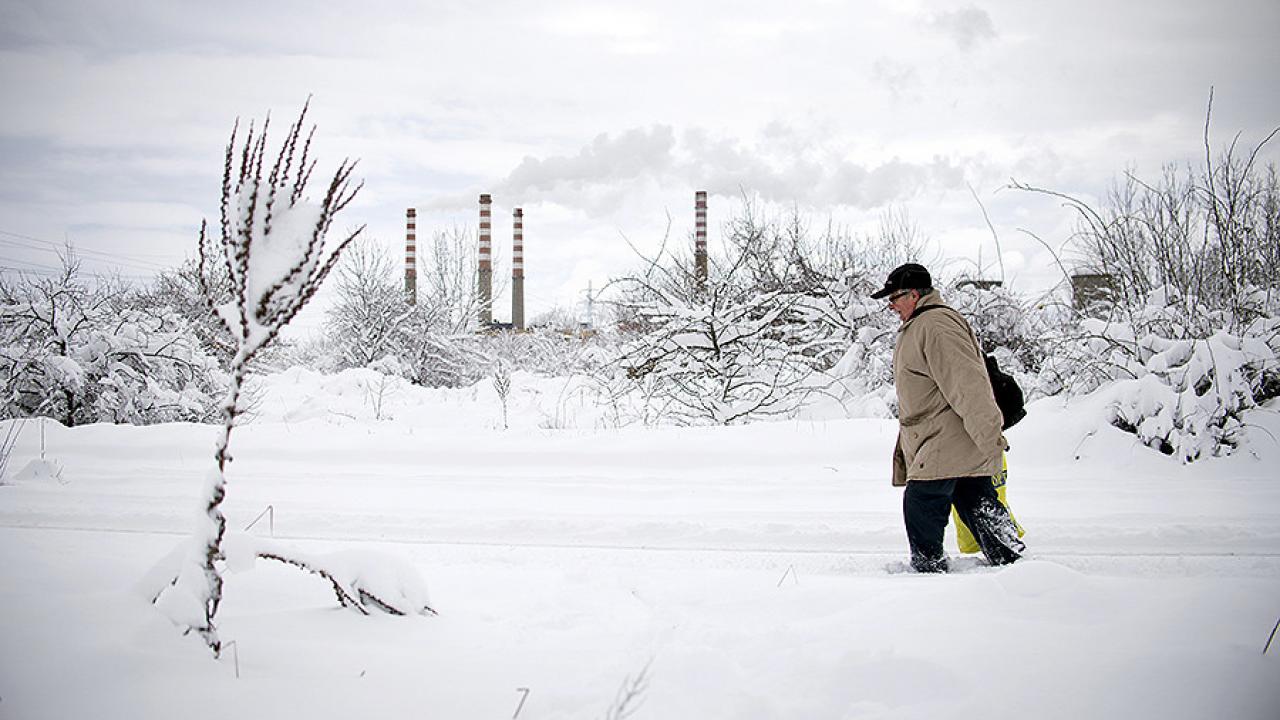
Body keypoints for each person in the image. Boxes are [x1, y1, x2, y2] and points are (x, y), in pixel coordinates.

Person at [871, 263, 1025, 572]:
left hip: (944, 439)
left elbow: (968, 384)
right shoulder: (922, 324)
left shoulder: (936, 326)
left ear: (914, 295)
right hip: (944, 437)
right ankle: (1013, 564)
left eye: (894, 298)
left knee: (922, 503)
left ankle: (929, 573)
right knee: (974, 498)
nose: (891, 306)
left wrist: (989, 435)